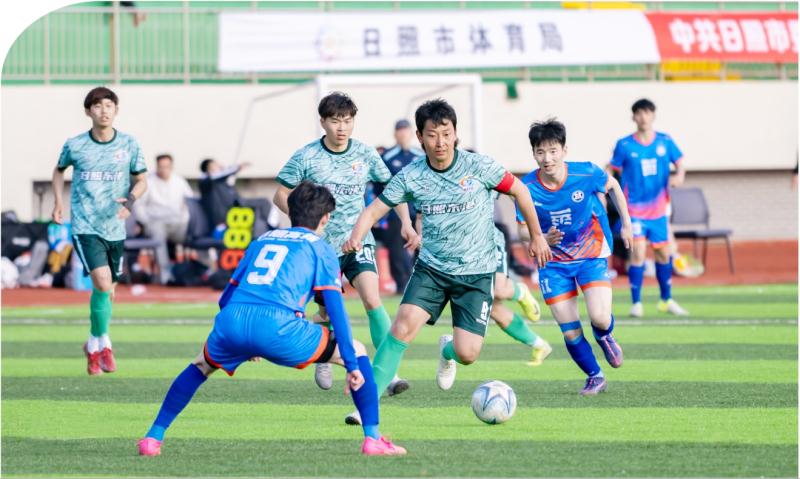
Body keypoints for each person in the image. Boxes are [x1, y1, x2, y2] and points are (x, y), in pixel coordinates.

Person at [137, 182, 406, 457]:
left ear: (291, 211)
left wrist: (244, 341)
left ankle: (152, 438)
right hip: (279, 328)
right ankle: (373, 438)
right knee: (358, 350)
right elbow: (336, 310)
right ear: (325, 218)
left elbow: (227, 294)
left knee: (200, 366)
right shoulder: (321, 248)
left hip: (233, 321)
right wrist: (351, 364)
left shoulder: (263, 239)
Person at [343, 98, 551, 408]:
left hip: (476, 273)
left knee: (467, 353)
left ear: (455, 134)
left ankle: (447, 351)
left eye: (446, 133)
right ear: (419, 137)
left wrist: (536, 236)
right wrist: (356, 237)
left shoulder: (479, 166)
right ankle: (366, 406)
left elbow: (520, 191)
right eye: (432, 135)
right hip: (432, 270)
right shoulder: (411, 176)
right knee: (402, 327)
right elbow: (374, 210)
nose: (440, 142)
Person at [273, 92, 418, 399]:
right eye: (335, 121)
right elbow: (280, 194)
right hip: (320, 249)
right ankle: (325, 355)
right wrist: (305, 223)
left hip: (358, 241)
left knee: (373, 301)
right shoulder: (307, 156)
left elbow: (393, 190)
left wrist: (406, 222)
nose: (342, 127)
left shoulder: (365, 153)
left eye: (348, 120)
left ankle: (388, 372)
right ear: (323, 122)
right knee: (327, 312)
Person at [518, 118, 632, 395]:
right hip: (552, 264)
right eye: (540, 152)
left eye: (553, 151)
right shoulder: (526, 187)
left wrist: (627, 225)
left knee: (600, 318)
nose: (547, 158)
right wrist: (539, 239)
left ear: (564, 150)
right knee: (569, 330)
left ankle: (604, 335)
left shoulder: (586, 173)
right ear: (534, 154)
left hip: (590, 254)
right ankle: (595, 376)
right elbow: (521, 229)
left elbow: (614, 187)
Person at [51, 86, 148, 375]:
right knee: (103, 284)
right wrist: (58, 202)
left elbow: (142, 180)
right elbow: (58, 170)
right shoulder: (76, 145)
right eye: (97, 105)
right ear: (87, 111)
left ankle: (92, 343)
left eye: (108, 105)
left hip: (115, 227)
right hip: (85, 225)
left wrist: (130, 200)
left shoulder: (129, 144)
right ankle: (103, 346)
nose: (103, 110)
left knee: (107, 291)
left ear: (116, 110)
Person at [610, 98, 689, 318]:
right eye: (639, 113)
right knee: (638, 253)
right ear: (633, 117)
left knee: (664, 254)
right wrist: (606, 187)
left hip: (658, 211)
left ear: (653, 115)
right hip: (634, 211)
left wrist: (679, 176)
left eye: (647, 112)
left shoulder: (665, 141)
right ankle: (636, 303)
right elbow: (612, 169)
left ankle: (666, 300)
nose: (643, 117)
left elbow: (680, 163)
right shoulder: (624, 145)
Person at [489, 224, 552, 366]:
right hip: (452, 246)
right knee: (491, 307)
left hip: (484, 237)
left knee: (498, 290)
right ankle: (539, 345)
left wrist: (536, 235)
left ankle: (519, 291)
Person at [374, 119, 425, 293]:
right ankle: (402, 284)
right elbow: (378, 184)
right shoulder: (387, 157)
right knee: (395, 248)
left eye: (406, 131)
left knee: (422, 245)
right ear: (395, 134)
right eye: (400, 131)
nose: (403, 135)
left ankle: (419, 282)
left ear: (412, 134)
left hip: (419, 210)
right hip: (395, 212)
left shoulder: (420, 155)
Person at [133, 154, 194, 284]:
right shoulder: (148, 182)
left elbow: (191, 202)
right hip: (155, 223)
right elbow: (138, 206)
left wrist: (186, 218)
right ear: (157, 166)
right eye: (161, 167)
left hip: (178, 224)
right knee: (158, 232)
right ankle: (165, 275)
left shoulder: (180, 181)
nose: (164, 169)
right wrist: (145, 222)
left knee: (195, 232)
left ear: (171, 167)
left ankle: (202, 271)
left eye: (166, 166)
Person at [198, 158, 250, 230]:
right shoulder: (206, 181)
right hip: (220, 218)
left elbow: (223, 173)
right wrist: (237, 168)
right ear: (209, 168)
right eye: (215, 165)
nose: (219, 166)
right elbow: (220, 175)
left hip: (232, 210)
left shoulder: (219, 180)